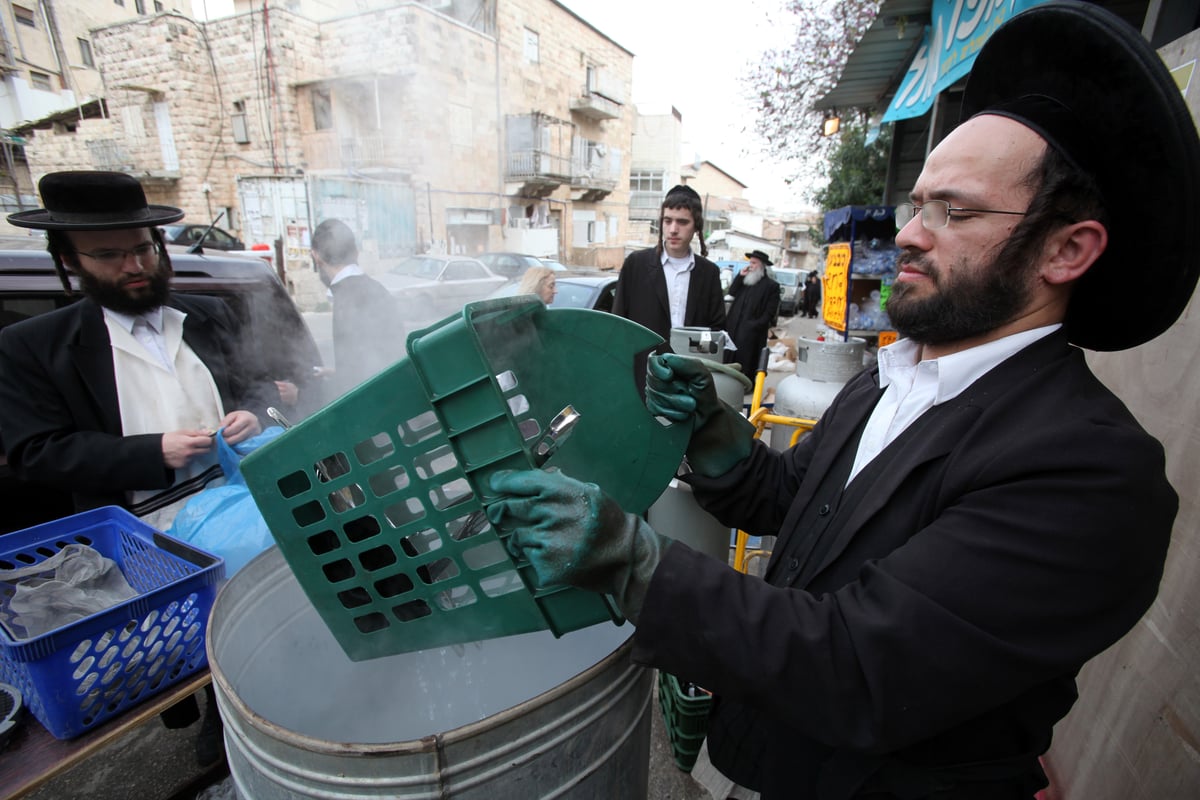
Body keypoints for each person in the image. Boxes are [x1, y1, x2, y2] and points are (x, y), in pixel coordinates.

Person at [481, 4, 1200, 798]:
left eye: (954, 212)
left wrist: (634, 563)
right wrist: (716, 435)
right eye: (917, 206)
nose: (912, 236)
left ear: (1067, 250)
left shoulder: (1092, 475)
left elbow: (860, 664)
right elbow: (795, 500)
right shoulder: (893, 375)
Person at [0, 170, 276, 767]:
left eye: (143, 248)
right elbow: (35, 451)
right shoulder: (31, 347)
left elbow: (257, 382)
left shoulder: (203, 316)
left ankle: (267, 712)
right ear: (69, 260)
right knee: (191, 651)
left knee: (264, 625)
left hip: (239, 513)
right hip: (146, 540)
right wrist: (152, 452)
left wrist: (251, 412)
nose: (135, 266)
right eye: (109, 254)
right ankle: (220, 727)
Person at [612, 184, 726, 394]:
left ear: (696, 226)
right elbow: (618, 325)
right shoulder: (636, 265)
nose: (673, 229)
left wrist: (692, 353)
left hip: (690, 382)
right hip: (642, 379)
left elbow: (716, 332)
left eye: (682, 222)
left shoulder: (708, 273)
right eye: (668, 221)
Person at [310, 218, 403, 397]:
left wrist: (301, 395)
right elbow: (377, 359)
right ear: (356, 252)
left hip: (375, 406)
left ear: (316, 256)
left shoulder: (347, 298)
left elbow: (355, 382)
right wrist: (337, 371)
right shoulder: (375, 288)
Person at [723, 250, 780, 380]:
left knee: (748, 360)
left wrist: (755, 325)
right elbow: (732, 292)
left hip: (752, 332)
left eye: (754, 263)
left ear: (761, 266)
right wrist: (740, 276)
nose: (750, 266)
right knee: (730, 357)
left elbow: (770, 312)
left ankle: (747, 384)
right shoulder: (746, 280)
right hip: (734, 328)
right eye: (750, 262)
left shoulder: (771, 286)